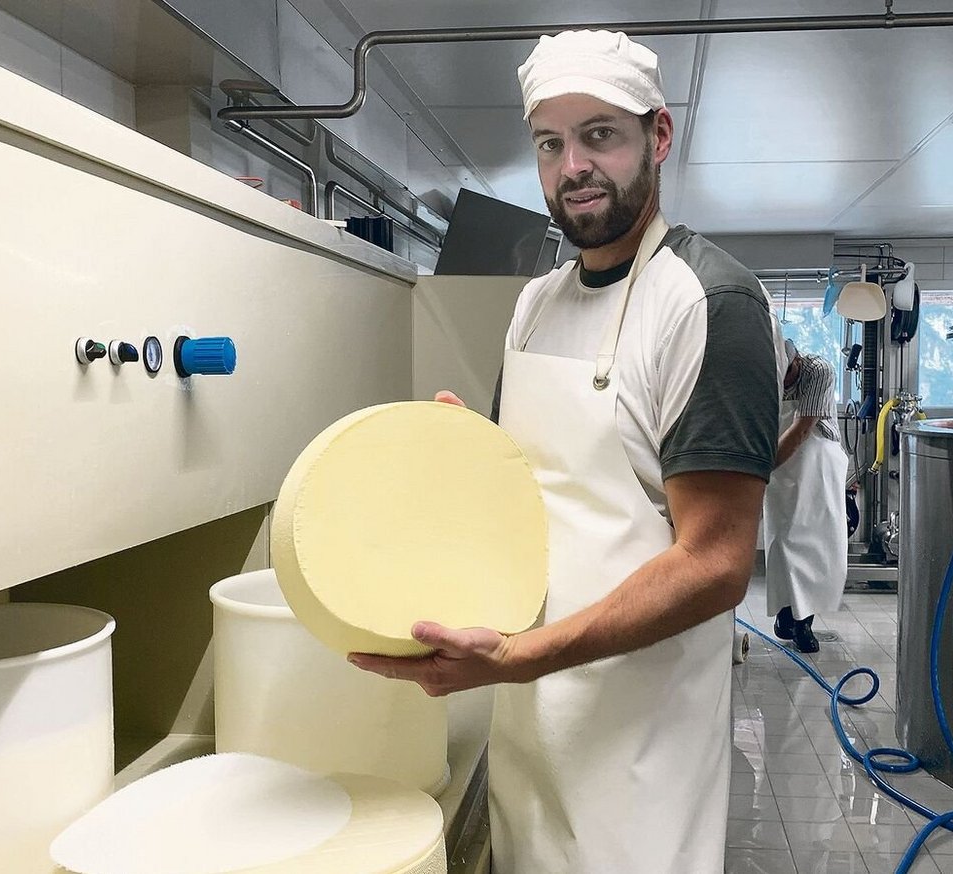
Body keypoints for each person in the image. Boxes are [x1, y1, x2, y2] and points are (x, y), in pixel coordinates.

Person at [349, 29, 781, 874]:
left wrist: (519, 657)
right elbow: (534, 489)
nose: (573, 164)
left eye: (600, 135)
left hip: (638, 734)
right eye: (551, 142)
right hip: (529, 721)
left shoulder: (706, 301)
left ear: (657, 138)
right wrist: (461, 451)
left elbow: (717, 562)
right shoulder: (535, 305)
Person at [764, 340, 848, 653]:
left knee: (815, 545)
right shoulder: (766, 374)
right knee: (783, 541)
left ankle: (804, 621)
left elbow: (802, 429)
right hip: (783, 467)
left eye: (786, 376)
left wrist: (762, 468)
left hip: (816, 461)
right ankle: (787, 613)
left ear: (796, 361)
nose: (783, 383)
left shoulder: (818, 370)